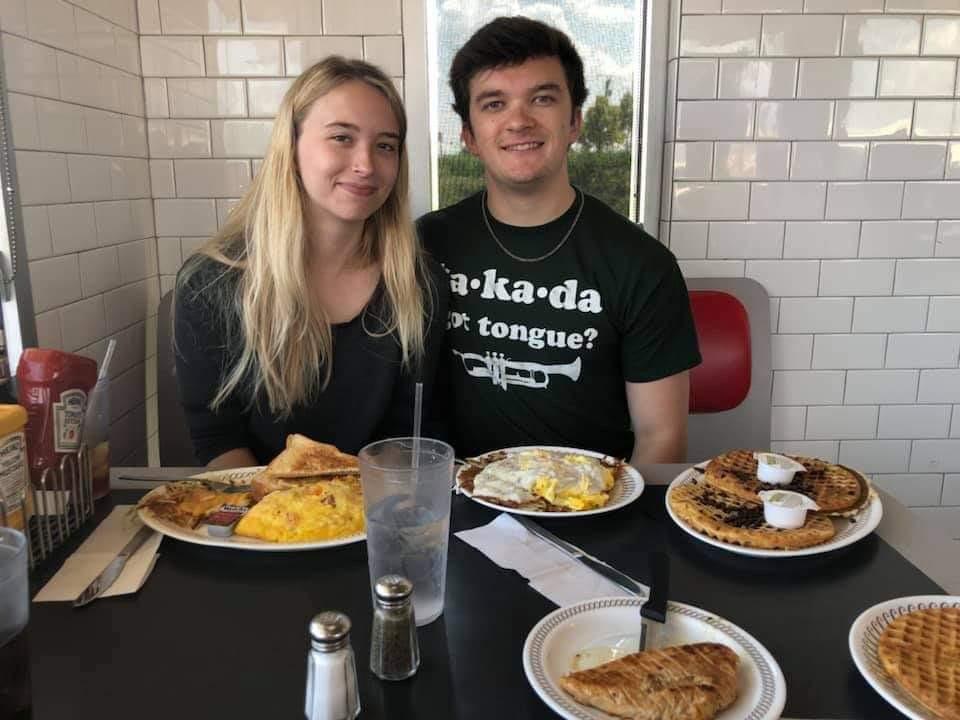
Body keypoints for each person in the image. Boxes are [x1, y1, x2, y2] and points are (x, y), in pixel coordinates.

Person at [418, 17, 700, 465]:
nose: (518, 121)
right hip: (456, 508)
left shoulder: (642, 263)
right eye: (493, 104)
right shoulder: (423, 245)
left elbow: (661, 437)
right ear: (469, 136)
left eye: (542, 98)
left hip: (593, 511)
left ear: (574, 122)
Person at [175, 56, 447, 469]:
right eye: (342, 137)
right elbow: (217, 439)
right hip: (261, 519)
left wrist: (352, 515)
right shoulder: (211, 281)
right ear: (292, 145)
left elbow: (410, 435)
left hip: (377, 514)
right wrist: (289, 518)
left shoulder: (417, 284)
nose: (366, 165)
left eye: (385, 146)